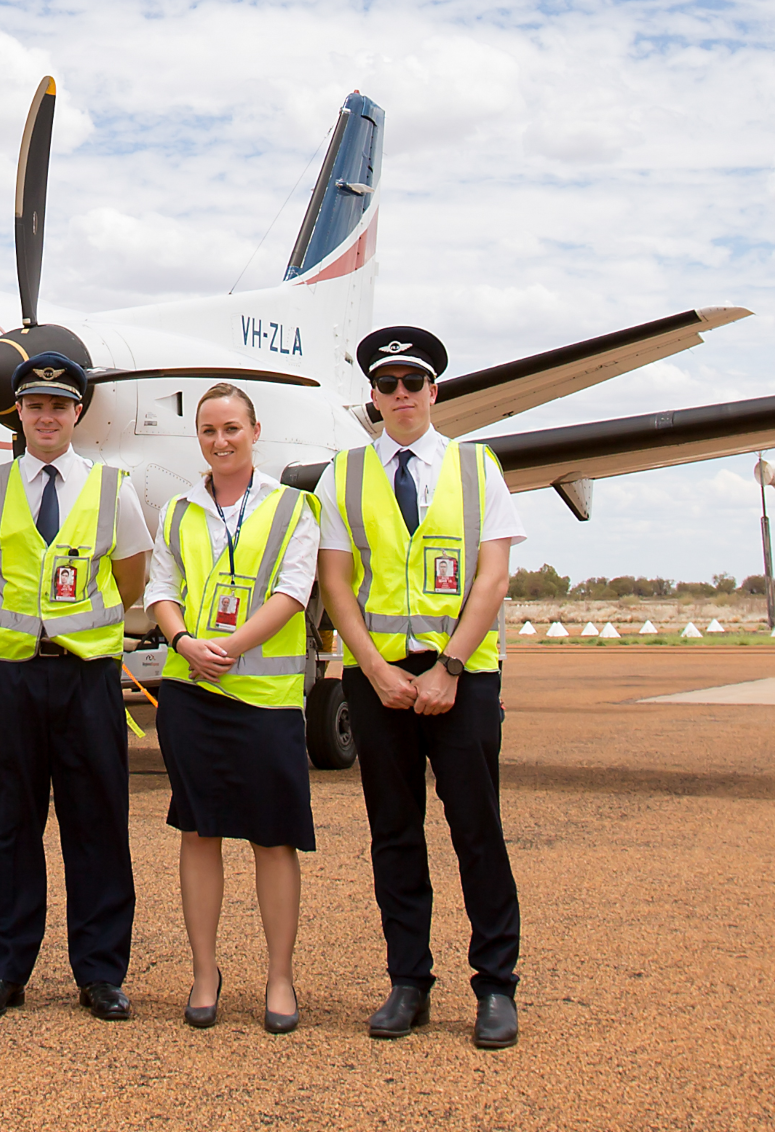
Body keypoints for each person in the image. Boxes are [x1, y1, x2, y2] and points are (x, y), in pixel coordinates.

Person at [319, 325, 530, 1050]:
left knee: (477, 831)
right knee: (394, 835)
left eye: (413, 383)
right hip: (378, 683)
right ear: (371, 398)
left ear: (434, 391)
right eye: (387, 385)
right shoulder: (341, 475)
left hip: (459, 678)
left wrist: (449, 668)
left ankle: (495, 986)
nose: (400, 395)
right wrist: (373, 670)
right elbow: (335, 583)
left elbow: (493, 576)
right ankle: (407, 982)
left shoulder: (478, 469)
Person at [0, 350, 153, 1020]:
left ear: (77, 414)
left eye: (59, 406)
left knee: (96, 823)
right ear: (19, 412)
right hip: (12, 677)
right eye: (34, 405)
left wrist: (75, 631)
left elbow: (130, 582)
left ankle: (100, 974)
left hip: (87, 677)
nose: (46, 416)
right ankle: (3, 970)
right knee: (6, 827)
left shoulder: (112, 487)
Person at [143, 381, 320, 1035]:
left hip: (264, 699)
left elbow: (291, 592)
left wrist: (230, 647)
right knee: (198, 831)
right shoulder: (177, 512)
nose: (220, 441)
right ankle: (204, 972)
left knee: (273, 840)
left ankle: (279, 975)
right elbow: (161, 588)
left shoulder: (292, 508)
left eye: (231, 429)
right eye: (208, 431)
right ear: (198, 439)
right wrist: (184, 641)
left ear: (254, 432)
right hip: (191, 695)